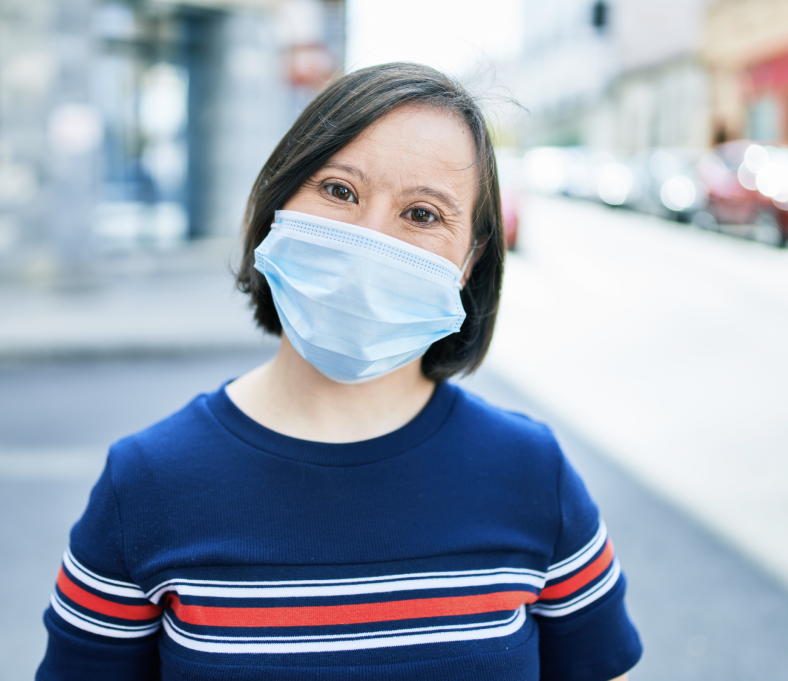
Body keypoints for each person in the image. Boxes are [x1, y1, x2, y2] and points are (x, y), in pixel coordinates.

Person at [36, 62, 642, 681]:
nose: (369, 240)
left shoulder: (533, 474)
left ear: (469, 262)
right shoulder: (146, 484)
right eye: (339, 191)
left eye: (424, 215)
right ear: (278, 202)